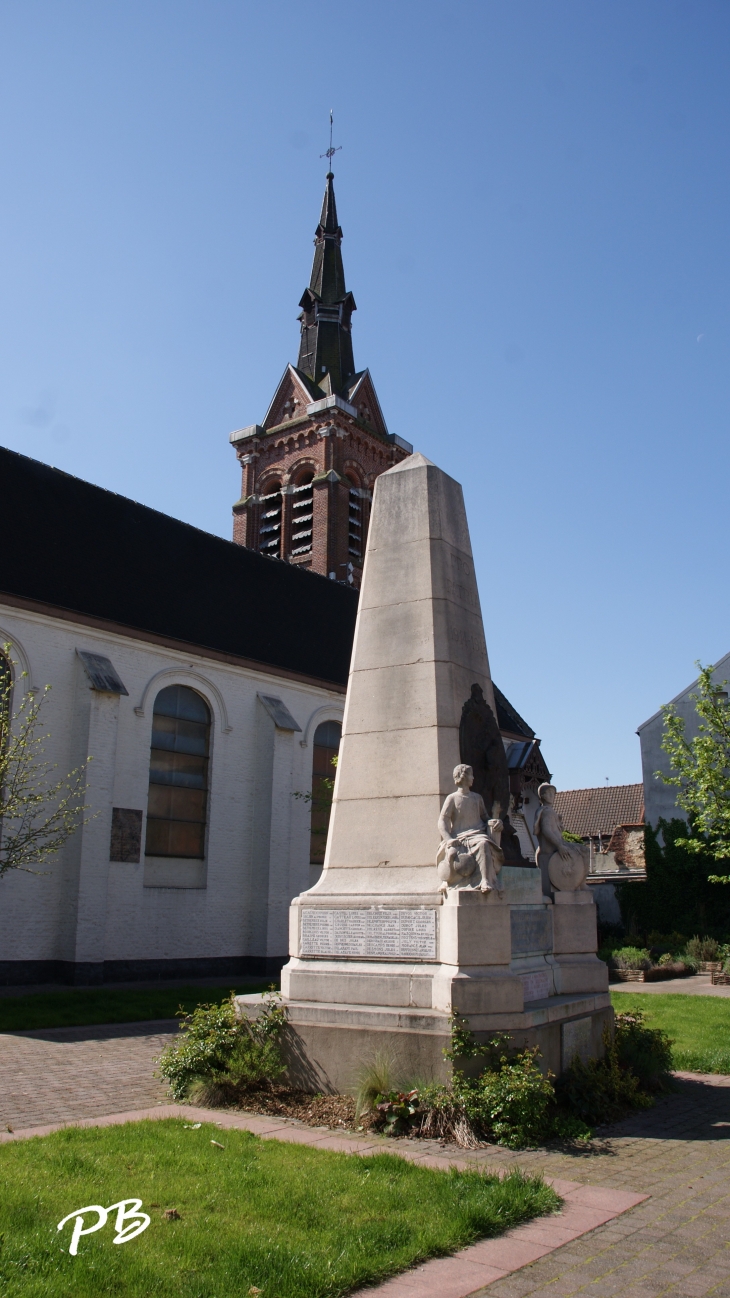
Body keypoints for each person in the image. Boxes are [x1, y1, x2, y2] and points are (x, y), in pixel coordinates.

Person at [436, 763, 504, 894]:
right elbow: (442, 821)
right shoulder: (452, 798)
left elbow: (485, 818)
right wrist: (448, 839)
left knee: (483, 844)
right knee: (451, 853)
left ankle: (485, 880)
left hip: (477, 835)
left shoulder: (477, 798)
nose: (473, 778)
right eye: (471, 775)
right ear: (463, 777)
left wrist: (496, 822)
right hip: (458, 837)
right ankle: (447, 880)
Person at [534, 781, 573, 897]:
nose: (552, 796)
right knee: (584, 852)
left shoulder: (550, 811)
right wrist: (560, 846)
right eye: (549, 793)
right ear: (542, 796)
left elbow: (554, 831)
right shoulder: (546, 811)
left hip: (555, 847)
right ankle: (579, 884)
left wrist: (559, 826)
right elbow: (546, 830)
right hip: (553, 849)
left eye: (553, 793)